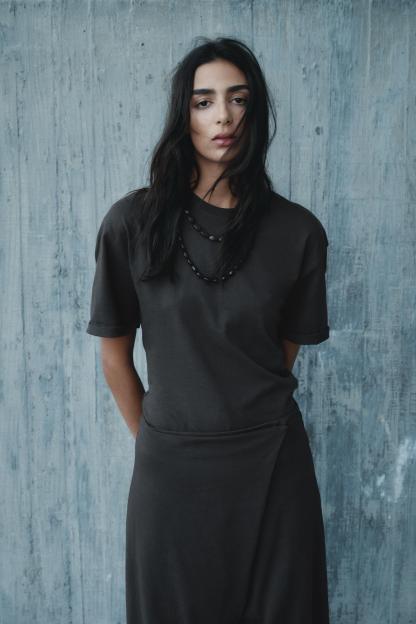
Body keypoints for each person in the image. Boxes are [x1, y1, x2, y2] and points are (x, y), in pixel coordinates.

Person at [86, 36, 331, 624]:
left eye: (238, 99)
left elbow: (277, 358)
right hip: (170, 470)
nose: (223, 116)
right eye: (204, 101)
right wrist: (162, 439)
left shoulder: (298, 231)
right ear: (184, 114)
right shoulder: (131, 223)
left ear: (255, 110)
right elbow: (115, 357)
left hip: (273, 465)